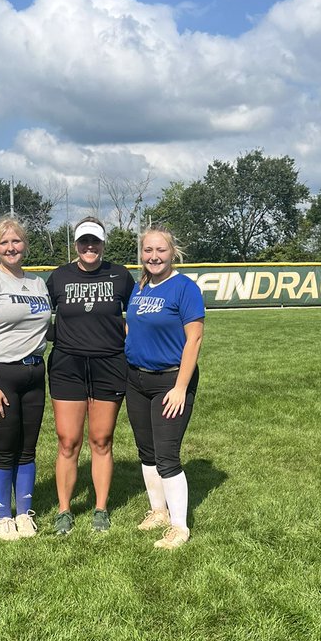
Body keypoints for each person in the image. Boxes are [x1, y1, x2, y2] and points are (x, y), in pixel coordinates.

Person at [45, 217, 135, 535]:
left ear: (102, 244)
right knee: (68, 441)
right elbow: (38, 319)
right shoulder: (58, 278)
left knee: (101, 440)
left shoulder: (121, 276)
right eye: (84, 241)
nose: (89, 247)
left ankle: (100, 508)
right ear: (76, 244)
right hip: (67, 365)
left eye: (94, 241)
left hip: (109, 365)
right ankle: (64, 510)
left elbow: (137, 315)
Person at [0, 218, 51, 540]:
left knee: (27, 449)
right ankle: (4, 516)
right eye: (4, 243)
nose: (11, 248)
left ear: (25, 244)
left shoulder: (38, 283)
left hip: (34, 374)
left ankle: (24, 513)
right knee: (3, 449)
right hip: (0, 373)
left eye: (16, 241)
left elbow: (42, 328)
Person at [124, 228, 205, 549]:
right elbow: (131, 325)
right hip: (137, 379)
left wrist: (180, 387)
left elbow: (194, 338)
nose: (153, 256)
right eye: (147, 250)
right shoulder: (139, 286)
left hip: (170, 381)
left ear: (172, 252)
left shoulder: (185, 288)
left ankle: (179, 527)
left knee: (167, 455)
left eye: (160, 250)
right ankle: (158, 510)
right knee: (147, 452)